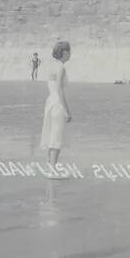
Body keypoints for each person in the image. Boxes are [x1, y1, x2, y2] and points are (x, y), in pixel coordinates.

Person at [41, 40, 73, 176]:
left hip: (50, 103)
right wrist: (67, 111)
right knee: (56, 138)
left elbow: (53, 87)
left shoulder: (50, 65)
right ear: (65, 52)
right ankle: (52, 171)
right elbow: (59, 90)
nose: (70, 54)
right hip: (57, 104)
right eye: (69, 51)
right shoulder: (60, 67)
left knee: (51, 136)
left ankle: (50, 168)